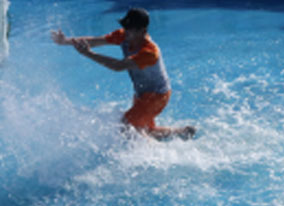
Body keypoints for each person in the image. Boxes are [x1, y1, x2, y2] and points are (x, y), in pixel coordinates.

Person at [51, 7, 195, 141]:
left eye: (130, 29)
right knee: (142, 129)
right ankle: (181, 132)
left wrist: (88, 54)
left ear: (142, 31)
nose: (126, 32)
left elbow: (118, 66)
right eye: (125, 27)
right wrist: (65, 41)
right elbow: (95, 41)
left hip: (157, 97)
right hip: (142, 94)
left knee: (127, 127)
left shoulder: (150, 52)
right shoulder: (124, 35)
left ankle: (158, 154)